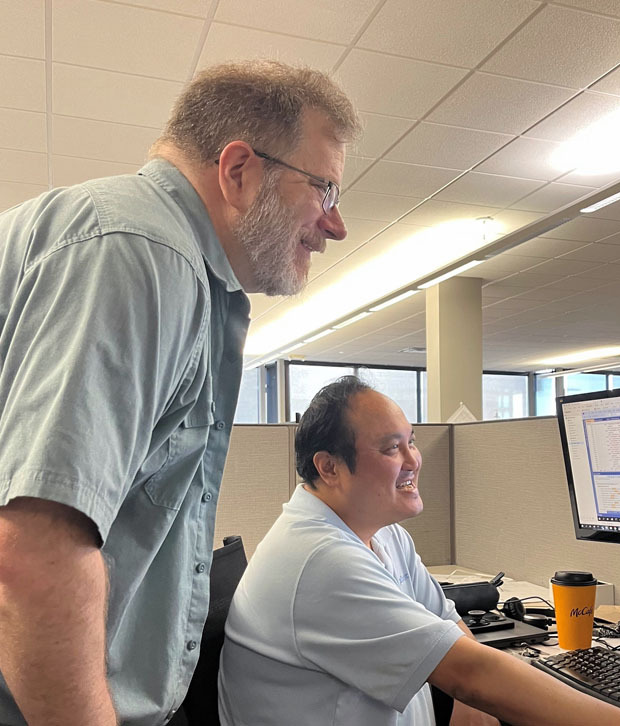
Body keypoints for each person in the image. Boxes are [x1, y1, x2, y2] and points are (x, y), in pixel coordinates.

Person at [0, 60, 360, 726]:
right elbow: (35, 556)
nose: (336, 226)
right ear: (239, 171)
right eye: (325, 190)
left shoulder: (160, 260)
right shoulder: (139, 254)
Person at [218, 376, 620, 726]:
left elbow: (444, 617)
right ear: (329, 467)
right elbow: (473, 673)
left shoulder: (379, 532)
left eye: (412, 440)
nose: (413, 459)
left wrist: (472, 699)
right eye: (391, 448)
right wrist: (471, 689)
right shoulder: (319, 560)